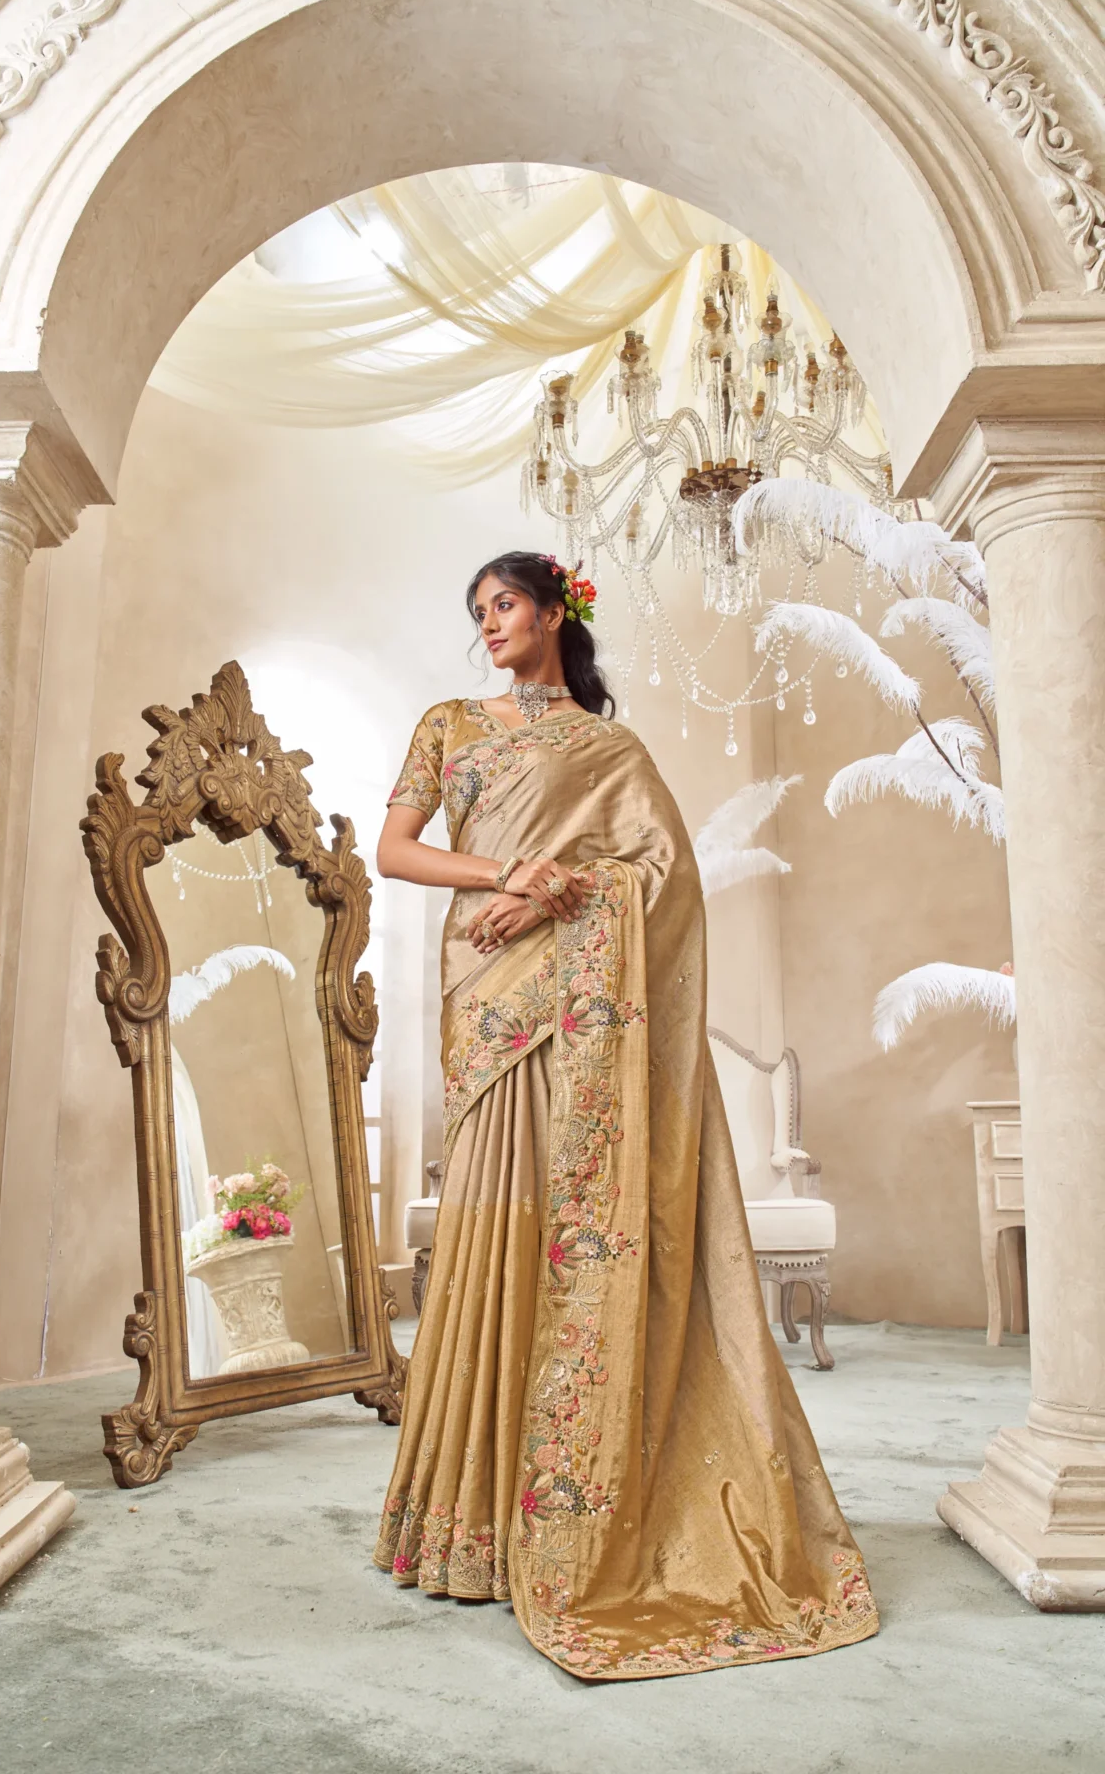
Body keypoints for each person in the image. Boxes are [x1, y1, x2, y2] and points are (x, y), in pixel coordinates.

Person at [372, 549, 878, 1680]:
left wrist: (568, 885)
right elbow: (395, 852)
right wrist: (508, 877)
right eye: (479, 612)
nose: (489, 624)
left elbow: (662, 877)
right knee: (493, 1219)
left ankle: (562, 1505)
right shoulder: (450, 724)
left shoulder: (612, 748)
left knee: (567, 1229)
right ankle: (464, 1509)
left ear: (555, 613)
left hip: (582, 1005)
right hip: (490, 1000)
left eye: (504, 605)